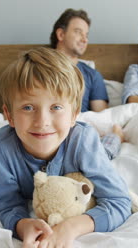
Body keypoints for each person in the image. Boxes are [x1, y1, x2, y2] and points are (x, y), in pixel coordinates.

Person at [0, 47, 131, 248]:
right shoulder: (0, 149)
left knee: (108, 149)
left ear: (74, 114)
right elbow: (6, 205)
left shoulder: (83, 140)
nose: (42, 121)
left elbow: (119, 201)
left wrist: (70, 228)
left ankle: (116, 135)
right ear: (9, 115)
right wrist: (23, 225)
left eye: (55, 107)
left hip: (92, 145)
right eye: (27, 107)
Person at [50, 8, 124, 158]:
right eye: (78, 32)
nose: (85, 39)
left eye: (86, 35)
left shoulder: (92, 75)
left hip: (75, 127)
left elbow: (100, 118)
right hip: (46, 123)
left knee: (98, 152)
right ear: (61, 34)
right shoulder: (36, 67)